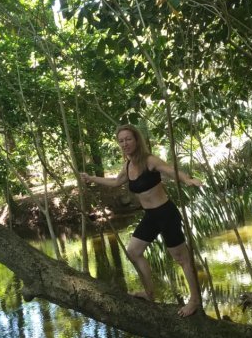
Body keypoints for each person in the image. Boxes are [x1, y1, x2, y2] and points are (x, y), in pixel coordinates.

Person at [80, 124, 204, 317]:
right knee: (133, 251)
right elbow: (115, 182)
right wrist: (91, 178)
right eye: (121, 141)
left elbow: (170, 170)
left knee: (182, 258)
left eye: (128, 139)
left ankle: (195, 300)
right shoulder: (127, 166)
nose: (125, 143)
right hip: (150, 216)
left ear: (137, 140)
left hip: (166, 214)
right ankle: (149, 293)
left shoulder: (149, 160)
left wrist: (187, 180)